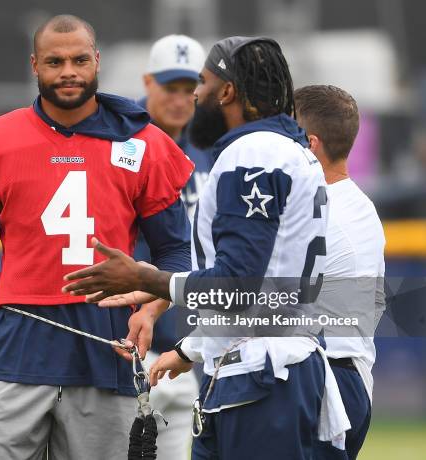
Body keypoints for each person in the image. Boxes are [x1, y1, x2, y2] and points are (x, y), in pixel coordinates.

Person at [0, 14, 194, 460]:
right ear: (34, 65)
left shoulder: (144, 144)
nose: (68, 71)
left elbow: (177, 248)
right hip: (17, 347)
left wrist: (154, 307)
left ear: (97, 61)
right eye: (55, 61)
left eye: (80, 60)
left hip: (107, 348)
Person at [63, 36, 351, 459]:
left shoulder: (251, 154)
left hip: (262, 374)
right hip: (264, 367)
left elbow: (237, 287)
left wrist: (146, 276)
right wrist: (162, 292)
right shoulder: (288, 151)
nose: (195, 95)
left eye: (202, 82)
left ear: (228, 91)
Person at [295, 85, 386, 460]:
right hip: (353, 378)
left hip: (325, 382)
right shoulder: (361, 204)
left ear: (311, 144)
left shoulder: (320, 214)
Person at [133, 34, 209, 459]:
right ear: (148, 81)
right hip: (134, 327)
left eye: (189, 89)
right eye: (170, 88)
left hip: (193, 333)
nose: (180, 100)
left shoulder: (212, 152)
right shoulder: (123, 145)